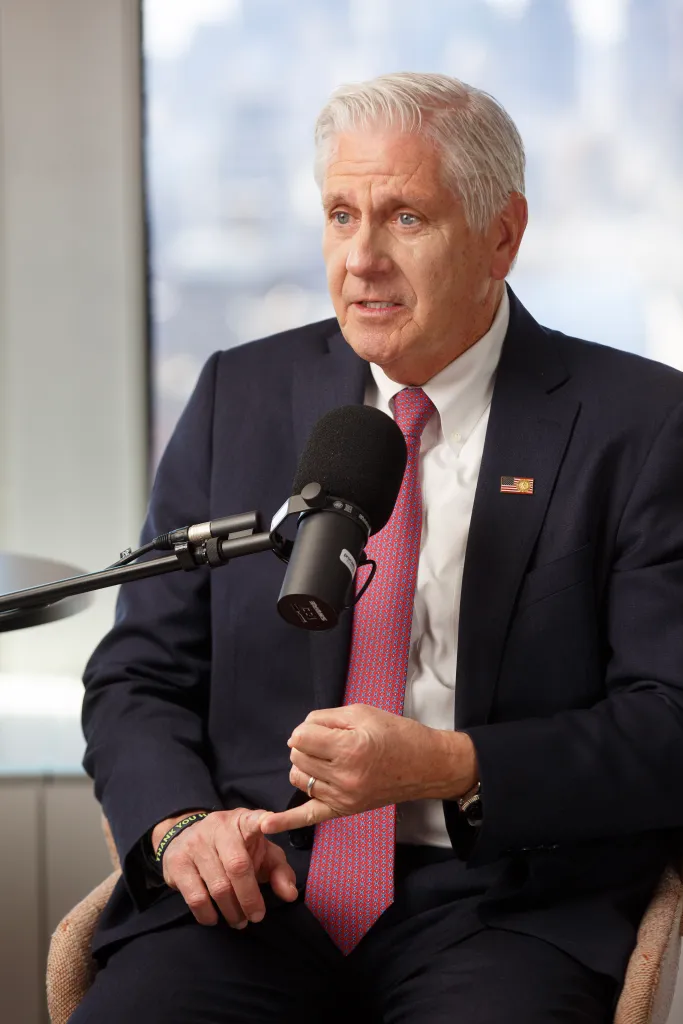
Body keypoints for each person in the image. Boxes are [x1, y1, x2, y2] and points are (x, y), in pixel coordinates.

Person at [71, 72, 683, 1023]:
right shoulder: (239, 393)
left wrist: (453, 765)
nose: (360, 259)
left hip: (502, 903)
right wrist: (181, 827)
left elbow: (667, 723)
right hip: (253, 889)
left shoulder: (638, 423)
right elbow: (139, 674)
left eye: (404, 218)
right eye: (340, 214)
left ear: (501, 235)